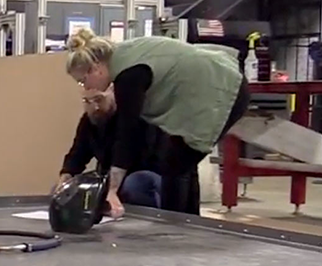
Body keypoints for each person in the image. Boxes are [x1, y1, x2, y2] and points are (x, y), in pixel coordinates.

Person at [65, 28, 250, 216]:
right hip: (221, 75)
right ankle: (184, 223)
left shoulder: (127, 75)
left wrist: (112, 191)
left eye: (83, 80)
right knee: (177, 163)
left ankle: (176, 227)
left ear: (95, 68)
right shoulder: (125, 55)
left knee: (177, 163)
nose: (85, 87)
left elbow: (128, 134)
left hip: (226, 87)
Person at [58, 84, 162, 209]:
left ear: (113, 93)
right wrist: (66, 176)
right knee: (66, 188)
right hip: (110, 175)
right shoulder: (90, 121)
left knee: (134, 183)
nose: (95, 107)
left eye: (99, 100)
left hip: (142, 173)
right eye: (87, 101)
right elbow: (77, 154)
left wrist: (112, 187)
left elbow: (128, 156)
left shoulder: (130, 118)